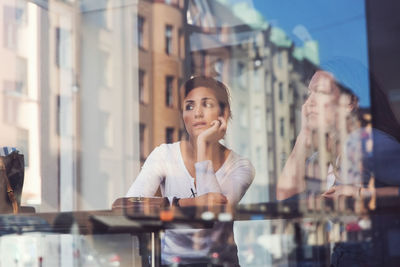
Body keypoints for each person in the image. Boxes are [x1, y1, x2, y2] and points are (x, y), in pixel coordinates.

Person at [126, 76, 255, 266]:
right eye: (189, 106)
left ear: (224, 113)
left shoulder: (241, 166)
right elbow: (127, 207)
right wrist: (184, 203)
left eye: (207, 104)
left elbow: (213, 213)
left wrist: (203, 144)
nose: (197, 113)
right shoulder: (164, 154)